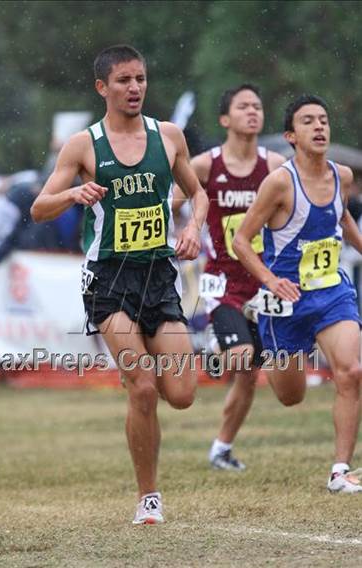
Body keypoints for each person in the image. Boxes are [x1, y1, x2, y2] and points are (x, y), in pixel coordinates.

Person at [31, 45, 209, 523]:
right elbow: (38, 208)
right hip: (108, 280)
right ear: (102, 87)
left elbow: (197, 192)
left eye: (140, 79)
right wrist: (72, 192)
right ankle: (148, 497)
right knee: (144, 388)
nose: (135, 88)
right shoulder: (83, 145)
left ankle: (144, 376)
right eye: (124, 81)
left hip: (158, 276)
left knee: (183, 393)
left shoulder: (168, 137)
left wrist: (192, 227)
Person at [233, 94, 362, 493]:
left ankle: (340, 471)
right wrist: (270, 282)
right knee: (292, 396)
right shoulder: (279, 183)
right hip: (284, 300)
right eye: (308, 121)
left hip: (331, 291)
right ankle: (264, 331)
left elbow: (339, 217)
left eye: (323, 120)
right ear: (291, 135)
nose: (319, 127)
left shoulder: (342, 176)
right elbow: (241, 241)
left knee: (352, 371)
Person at [173, 84, 285, 471]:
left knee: (252, 375)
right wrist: (177, 229)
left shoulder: (274, 166)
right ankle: (212, 349)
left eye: (257, 105)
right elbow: (172, 199)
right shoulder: (206, 165)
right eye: (243, 106)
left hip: (264, 281)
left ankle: (221, 447)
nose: (253, 112)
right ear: (225, 119)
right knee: (242, 358)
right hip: (221, 282)